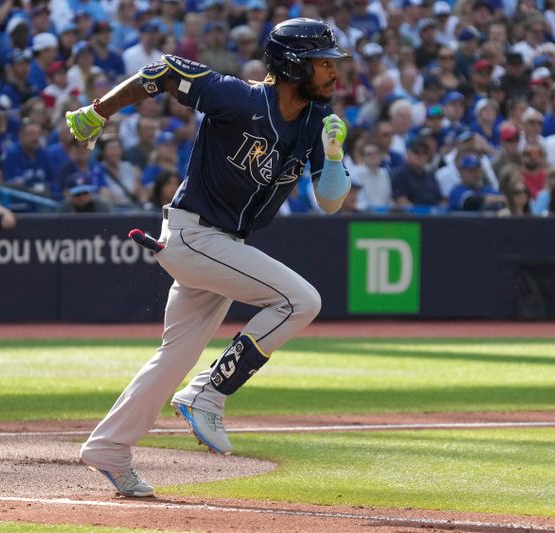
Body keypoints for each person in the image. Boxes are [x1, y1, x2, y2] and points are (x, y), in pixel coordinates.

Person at [65, 18, 351, 497]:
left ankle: (109, 447)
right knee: (301, 300)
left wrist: (335, 155)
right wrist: (99, 111)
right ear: (292, 65)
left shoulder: (318, 123)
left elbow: (330, 201)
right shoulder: (239, 98)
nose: (333, 72)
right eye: (323, 63)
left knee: (173, 358)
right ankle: (210, 392)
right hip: (194, 235)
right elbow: (165, 71)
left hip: (222, 246)